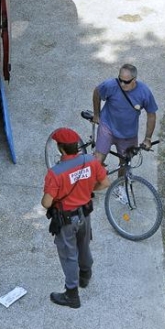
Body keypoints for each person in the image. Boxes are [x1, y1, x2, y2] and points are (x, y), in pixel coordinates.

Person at [42, 127, 110, 309]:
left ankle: (72, 295)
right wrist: (88, 190)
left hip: (66, 220)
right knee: (84, 244)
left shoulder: (55, 173)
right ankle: (85, 275)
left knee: (69, 255)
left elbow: (47, 203)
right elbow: (105, 183)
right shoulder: (91, 161)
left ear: (61, 148)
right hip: (85, 214)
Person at [92, 63, 158, 170]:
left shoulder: (144, 92)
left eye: (126, 81)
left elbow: (151, 115)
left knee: (125, 164)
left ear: (134, 79)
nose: (122, 84)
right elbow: (97, 92)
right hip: (107, 127)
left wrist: (148, 138)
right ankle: (89, 184)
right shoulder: (111, 85)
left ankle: (120, 186)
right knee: (98, 160)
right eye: (120, 80)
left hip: (128, 134)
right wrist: (96, 114)